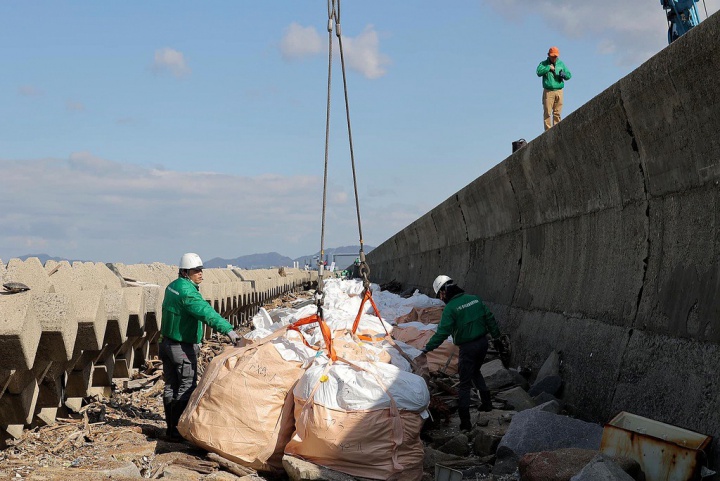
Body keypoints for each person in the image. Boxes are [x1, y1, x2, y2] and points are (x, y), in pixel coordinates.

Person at [159, 252, 240, 441]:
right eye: (196, 271)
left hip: (166, 343)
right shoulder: (188, 293)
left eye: (201, 270)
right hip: (181, 347)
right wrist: (229, 331)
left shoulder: (173, 287)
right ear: (185, 272)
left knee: (171, 385)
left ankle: (171, 429)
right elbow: (206, 312)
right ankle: (179, 431)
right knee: (186, 385)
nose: (200, 274)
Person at [419, 275, 505, 432]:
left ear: (444, 291)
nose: (441, 298)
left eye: (440, 295)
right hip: (483, 344)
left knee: (464, 384)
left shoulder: (451, 308)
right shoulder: (475, 299)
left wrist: (427, 348)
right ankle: (487, 404)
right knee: (476, 371)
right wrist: (497, 338)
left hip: (468, 348)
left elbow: (442, 333)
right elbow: (490, 319)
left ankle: (465, 422)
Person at [536, 46, 572, 131]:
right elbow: (538, 72)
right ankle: (548, 130)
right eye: (552, 56)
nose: (554, 58)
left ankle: (557, 129)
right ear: (548, 55)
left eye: (555, 56)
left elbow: (569, 75)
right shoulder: (543, 63)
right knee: (547, 112)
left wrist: (562, 74)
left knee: (557, 112)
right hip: (548, 91)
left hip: (559, 90)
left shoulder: (561, 64)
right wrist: (548, 68)